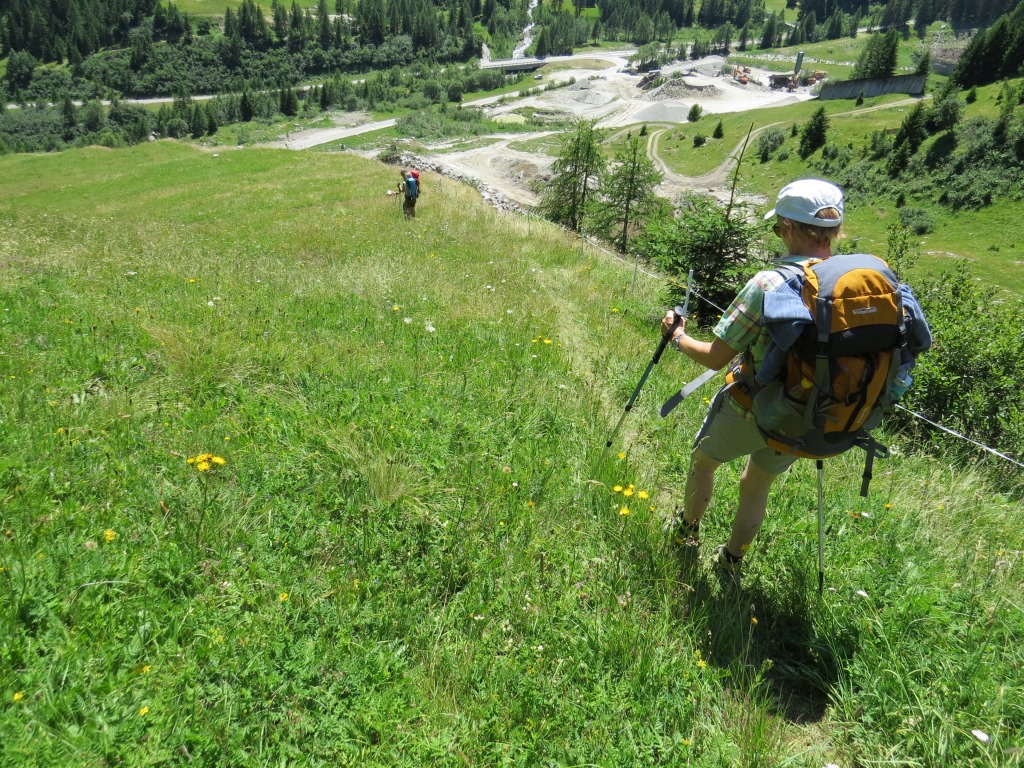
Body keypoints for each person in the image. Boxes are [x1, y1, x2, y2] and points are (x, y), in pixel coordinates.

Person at [661, 178, 929, 586]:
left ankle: (687, 534)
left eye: (777, 227)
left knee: (704, 462)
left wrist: (677, 335)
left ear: (787, 227)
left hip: (752, 405)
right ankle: (731, 562)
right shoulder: (863, 286)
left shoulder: (769, 283)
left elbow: (715, 358)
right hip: (809, 415)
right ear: (834, 232)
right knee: (757, 485)